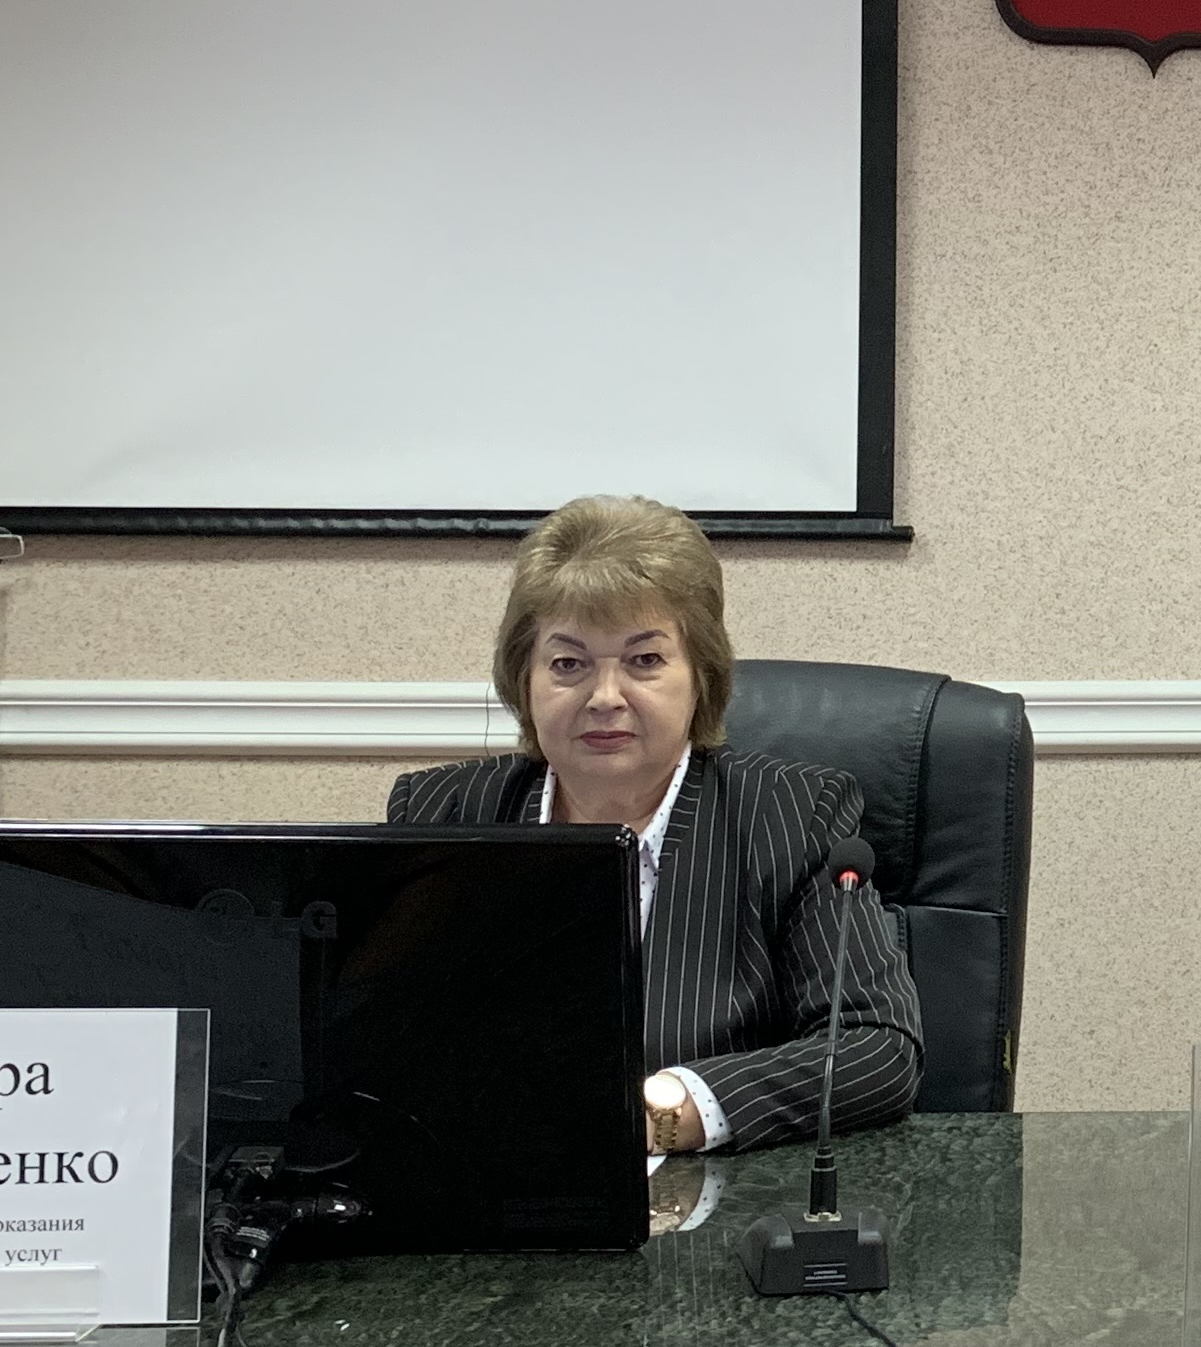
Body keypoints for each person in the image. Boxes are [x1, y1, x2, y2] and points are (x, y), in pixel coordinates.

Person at [389, 494, 919, 1153]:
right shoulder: (444, 815)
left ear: (701, 677)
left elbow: (877, 1048)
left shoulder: (791, 815)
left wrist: (662, 1114)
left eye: (644, 661)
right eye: (568, 664)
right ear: (523, 680)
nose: (604, 697)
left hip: (706, 1198)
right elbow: (379, 1048)